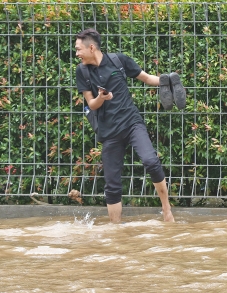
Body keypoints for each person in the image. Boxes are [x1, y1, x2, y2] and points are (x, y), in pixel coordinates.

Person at [75, 28, 186, 223]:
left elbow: (145, 77)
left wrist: (166, 82)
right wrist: (101, 98)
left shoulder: (119, 60)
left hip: (131, 123)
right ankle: (116, 229)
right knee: (112, 184)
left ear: (91, 47)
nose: (76, 54)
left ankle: (167, 211)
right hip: (109, 132)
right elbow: (91, 104)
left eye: (78, 49)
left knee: (151, 161)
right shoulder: (82, 71)